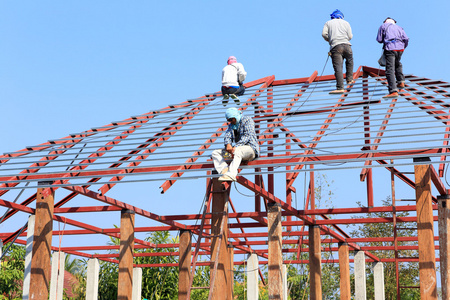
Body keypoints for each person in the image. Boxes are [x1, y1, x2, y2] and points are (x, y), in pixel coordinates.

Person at [211, 107, 259, 182]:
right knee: (215, 153)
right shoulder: (232, 125)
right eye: (228, 120)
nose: (230, 121)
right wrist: (228, 144)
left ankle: (231, 174)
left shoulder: (247, 120)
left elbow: (247, 136)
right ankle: (224, 170)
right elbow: (227, 135)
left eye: (231, 119)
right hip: (237, 151)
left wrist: (235, 147)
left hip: (250, 150)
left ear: (235, 116)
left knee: (238, 150)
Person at [322, 9, 355, 94]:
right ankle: (350, 79)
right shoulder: (346, 23)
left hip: (336, 46)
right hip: (347, 45)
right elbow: (350, 36)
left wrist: (330, 39)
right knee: (349, 61)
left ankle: (340, 87)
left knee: (338, 67)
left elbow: (324, 34)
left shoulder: (328, 23)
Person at [376, 17, 409, 98]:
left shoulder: (383, 26)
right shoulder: (399, 27)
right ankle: (401, 81)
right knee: (397, 63)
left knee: (389, 69)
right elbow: (406, 39)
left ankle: (393, 91)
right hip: (400, 48)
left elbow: (379, 39)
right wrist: (403, 47)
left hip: (390, 47)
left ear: (385, 21)